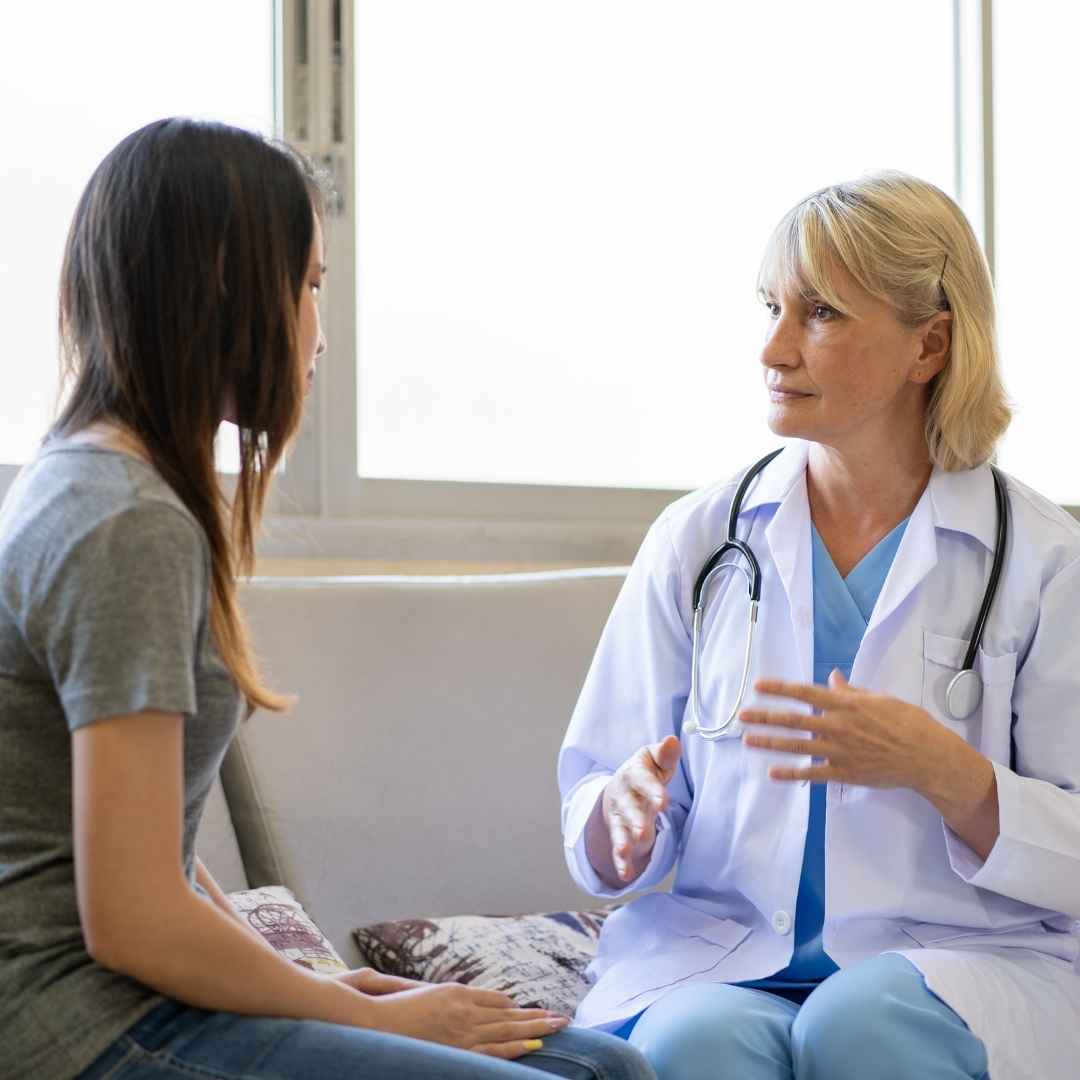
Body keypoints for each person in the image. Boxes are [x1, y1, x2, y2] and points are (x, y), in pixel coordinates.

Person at [0, 118, 655, 1080]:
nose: (317, 328)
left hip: (126, 1001)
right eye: (308, 286)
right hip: (80, 1030)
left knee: (607, 1067)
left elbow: (162, 857)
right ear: (224, 284)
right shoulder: (123, 520)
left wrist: (320, 984)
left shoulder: (102, 486)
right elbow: (132, 915)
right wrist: (377, 1024)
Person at [558, 171, 1080, 1080]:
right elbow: (601, 792)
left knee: (862, 1023)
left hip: (969, 962)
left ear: (931, 345)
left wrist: (944, 773)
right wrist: (623, 815)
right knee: (694, 1047)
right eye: (771, 307)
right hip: (723, 955)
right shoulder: (701, 539)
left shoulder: (1044, 560)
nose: (773, 347)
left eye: (822, 314)